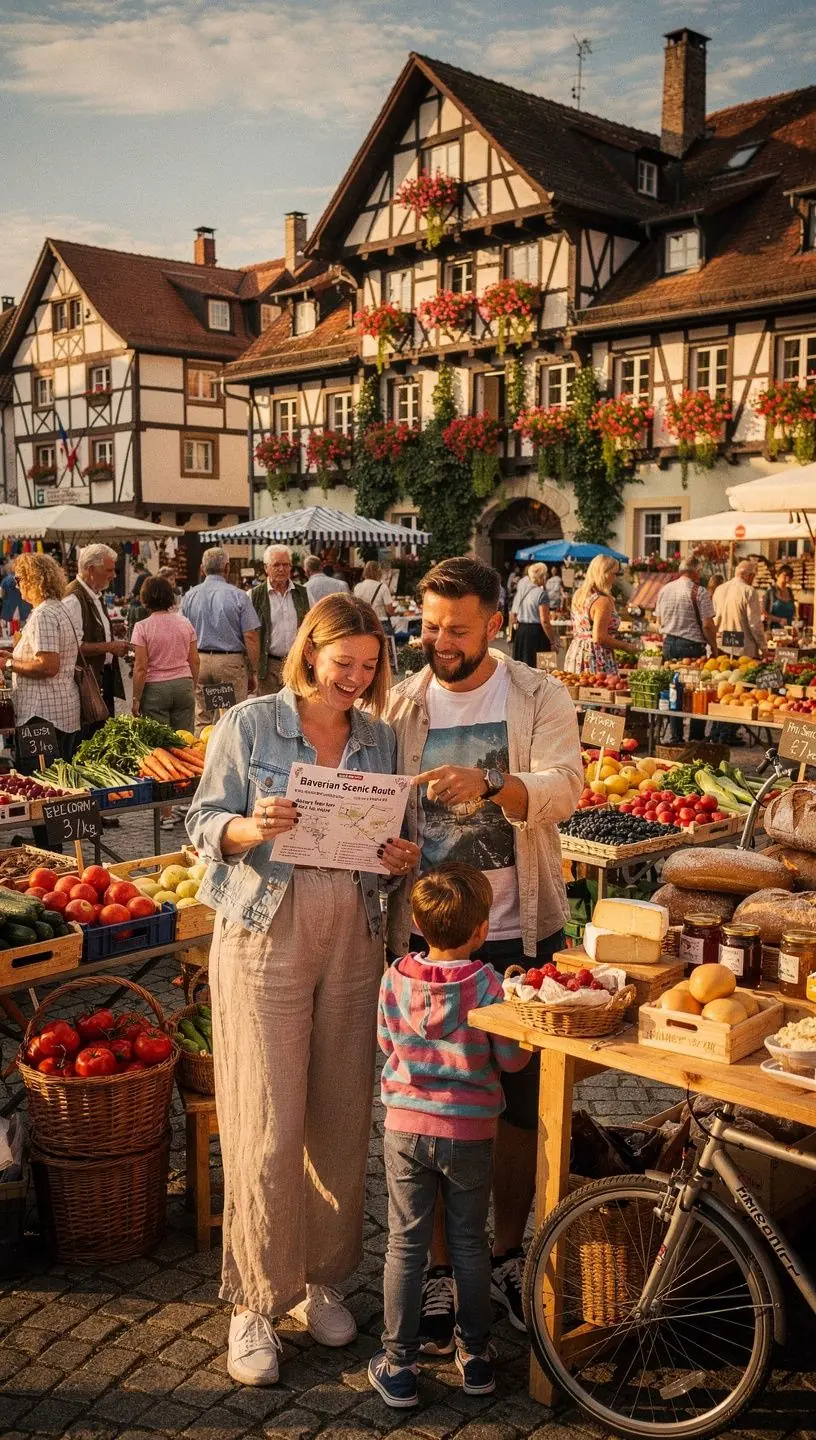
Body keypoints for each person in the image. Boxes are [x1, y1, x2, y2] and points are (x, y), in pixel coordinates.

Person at [186, 593, 420, 1387]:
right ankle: (255, 1299)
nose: (355, 677)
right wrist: (251, 826)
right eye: (342, 661)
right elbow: (202, 823)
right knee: (267, 1119)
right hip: (264, 930)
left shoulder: (382, 737)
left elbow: (394, 840)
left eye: (369, 665)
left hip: (353, 930)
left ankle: (320, 1279)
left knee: (340, 1114)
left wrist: (399, 859)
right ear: (310, 653)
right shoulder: (250, 724)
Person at [386, 556, 582, 1341]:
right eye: (430, 626)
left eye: (457, 630)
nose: (440, 642)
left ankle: (503, 1252)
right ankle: (437, 1270)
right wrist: (391, 849)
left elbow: (567, 788)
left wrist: (494, 784)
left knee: (519, 1110)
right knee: (432, 1106)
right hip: (429, 941)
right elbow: (384, 808)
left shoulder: (539, 694)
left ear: (495, 623)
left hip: (520, 931)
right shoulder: (401, 703)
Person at [369, 863, 529, 1408]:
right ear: (482, 929)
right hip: (470, 1130)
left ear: (415, 921)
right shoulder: (488, 986)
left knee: (404, 1244)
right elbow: (509, 1059)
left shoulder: (394, 979)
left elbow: (387, 1047)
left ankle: (398, 1363)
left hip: (405, 1127)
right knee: (468, 1243)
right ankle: (477, 1357)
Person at [131, 575, 199, 828]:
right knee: (185, 745)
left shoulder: (142, 627)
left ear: (145, 598)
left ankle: (166, 813)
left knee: (159, 751)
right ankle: (188, 802)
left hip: (155, 689)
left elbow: (140, 668)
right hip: (183, 685)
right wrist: (192, 683)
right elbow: (195, 660)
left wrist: (136, 699)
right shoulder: (184, 623)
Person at [7, 553, 80, 764]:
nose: (17, 585)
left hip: (42, 715)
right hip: (60, 710)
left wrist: (10, 664)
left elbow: (48, 666)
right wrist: (15, 656)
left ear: (33, 579)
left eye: (19, 579)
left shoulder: (43, 615)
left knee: (40, 781)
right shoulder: (59, 608)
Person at [181, 547, 261, 731]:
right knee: (230, 717)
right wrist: (253, 670)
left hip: (199, 661)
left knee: (202, 716)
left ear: (202, 569)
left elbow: (183, 633)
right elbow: (250, 635)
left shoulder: (189, 596)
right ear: (227, 567)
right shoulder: (238, 595)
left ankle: (203, 755)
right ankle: (227, 756)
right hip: (228, 663)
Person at [62, 543, 129, 735]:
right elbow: (74, 647)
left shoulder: (93, 594)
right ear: (91, 569)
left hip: (100, 677)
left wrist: (109, 631)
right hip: (86, 682)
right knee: (90, 734)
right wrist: (109, 646)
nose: (114, 575)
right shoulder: (73, 599)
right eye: (109, 569)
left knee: (103, 731)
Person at [655, 558, 719, 744]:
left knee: (675, 688)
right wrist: (713, 647)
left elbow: (658, 620)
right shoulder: (699, 592)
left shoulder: (665, 589)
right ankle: (696, 736)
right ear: (697, 571)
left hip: (669, 644)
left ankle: (676, 736)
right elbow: (707, 625)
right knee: (695, 690)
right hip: (691, 646)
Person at [250, 545, 309, 697]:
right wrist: (252, 669)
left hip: (296, 663)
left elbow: (315, 625)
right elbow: (248, 633)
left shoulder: (304, 594)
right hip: (268, 665)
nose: (281, 569)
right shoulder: (253, 596)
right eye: (276, 565)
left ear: (291, 567)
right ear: (266, 568)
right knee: (268, 710)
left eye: (286, 565)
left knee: (297, 708)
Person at [564, 555, 638, 675]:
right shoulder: (602, 601)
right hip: (596, 656)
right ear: (602, 574)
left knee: (577, 689)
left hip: (577, 653)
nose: (615, 578)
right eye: (613, 574)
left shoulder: (579, 595)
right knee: (597, 691)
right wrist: (626, 646)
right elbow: (599, 637)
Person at [714, 561, 767, 659]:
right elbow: (754, 624)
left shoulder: (719, 589)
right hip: (743, 650)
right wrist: (763, 647)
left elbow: (714, 618)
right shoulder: (749, 591)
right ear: (750, 575)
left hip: (721, 646)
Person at [510, 562, 553, 666]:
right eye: (546, 575)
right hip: (537, 634)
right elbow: (545, 621)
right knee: (543, 669)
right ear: (542, 577)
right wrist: (553, 640)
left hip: (521, 632)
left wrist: (511, 633)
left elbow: (512, 614)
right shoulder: (541, 594)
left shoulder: (521, 591)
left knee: (522, 669)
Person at [354, 561, 396, 630]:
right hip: (380, 622)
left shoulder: (357, 587)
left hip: (364, 623)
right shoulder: (383, 587)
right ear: (378, 572)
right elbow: (389, 610)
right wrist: (396, 614)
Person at [764, 563, 796, 630]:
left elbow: (793, 613)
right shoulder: (770, 591)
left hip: (788, 630)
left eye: (789, 575)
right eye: (785, 575)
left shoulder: (790, 591)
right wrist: (779, 620)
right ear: (777, 576)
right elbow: (764, 614)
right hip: (773, 630)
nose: (787, 577)